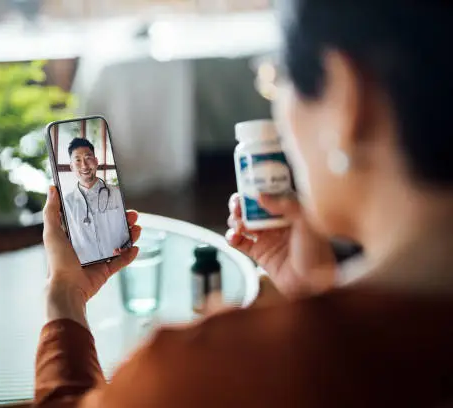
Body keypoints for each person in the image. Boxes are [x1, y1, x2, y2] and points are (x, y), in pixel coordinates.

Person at [35, 0, 453, 406]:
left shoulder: (209, 370)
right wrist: (314, 294)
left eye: (277, 78)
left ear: (348, 99)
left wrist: (65, 295)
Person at [62, 138, 131, 264]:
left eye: (88, 158)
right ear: (71, 167)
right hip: (86, 271)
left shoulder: (118, 193)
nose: (84, 165)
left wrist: (126, 249)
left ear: (96, 161)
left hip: (120, 263)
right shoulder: (65, 204)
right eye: (78, 160)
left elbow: (129, 232)